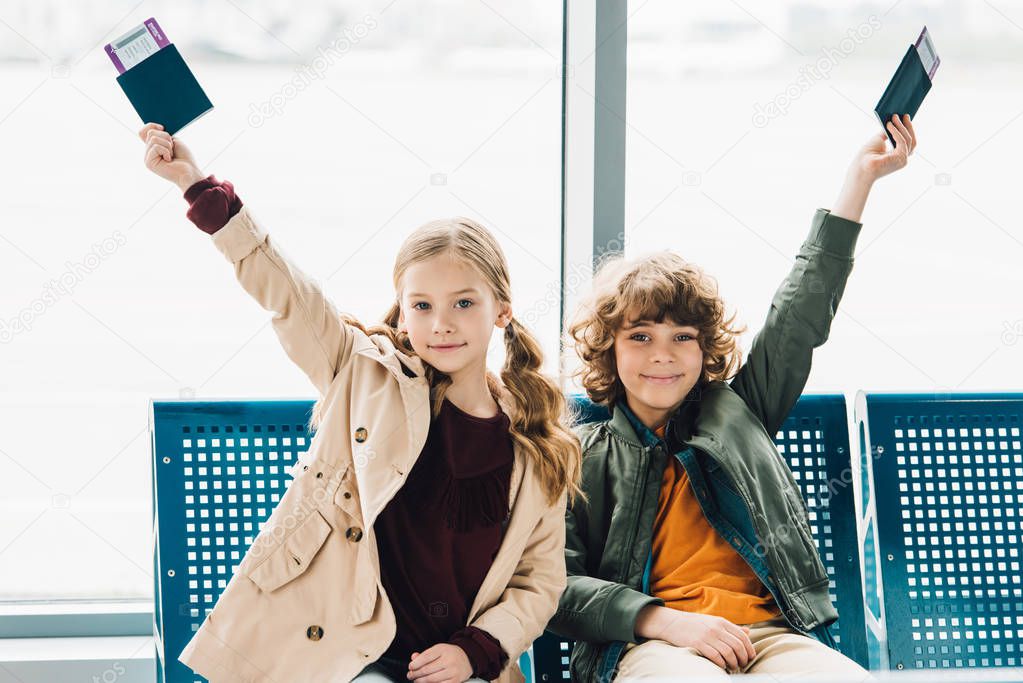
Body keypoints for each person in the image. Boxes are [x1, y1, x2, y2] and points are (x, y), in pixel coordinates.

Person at [137, 122, 582, 683]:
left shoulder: (537, 443)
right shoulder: (362, 373)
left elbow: (538, 582)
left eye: (463, 303)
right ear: (402, 308)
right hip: (353, 660)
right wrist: (197, 185)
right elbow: (287, 295)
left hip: (462, 667)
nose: (441, 324)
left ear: (502, 310)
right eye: (421, 305)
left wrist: (477, 649)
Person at [550, 114, 919, 681]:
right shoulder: (578, 454)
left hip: (771, 640)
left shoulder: (737, 410)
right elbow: (556, 587)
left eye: (683, 338)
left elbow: (800, 315)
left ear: (705, 351)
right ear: (609, 350)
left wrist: (859, 181)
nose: (663, 355)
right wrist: (664, 622)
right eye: (641, 337)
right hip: (655, 647)